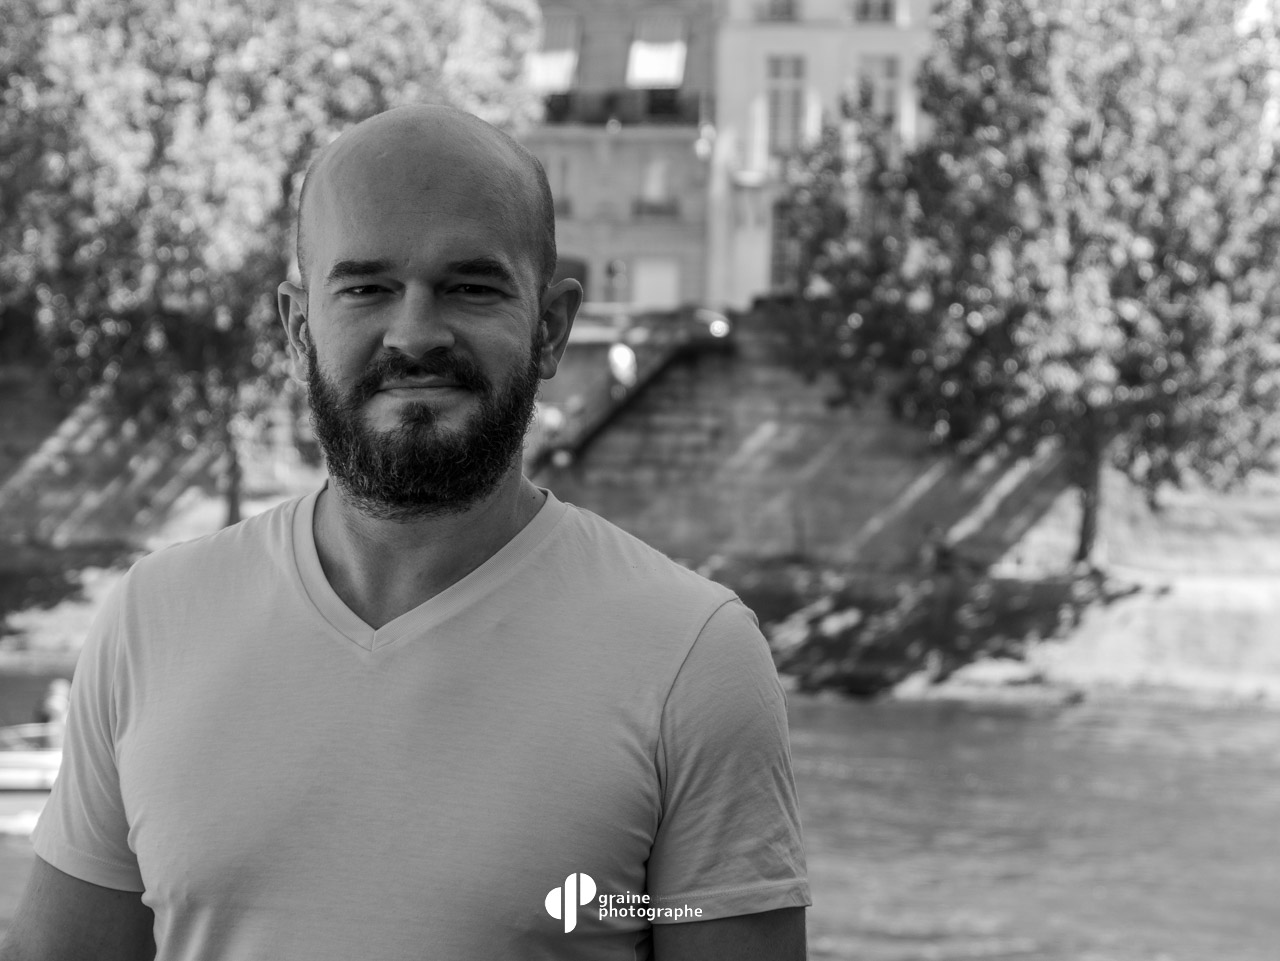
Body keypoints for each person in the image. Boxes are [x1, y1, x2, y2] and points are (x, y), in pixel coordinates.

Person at [2, 105, 809, 961]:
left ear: (551, 327)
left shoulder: (693, 657)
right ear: (298, 328)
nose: (416, 334)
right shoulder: (151, 621)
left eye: (471, 287)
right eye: (366, 287)